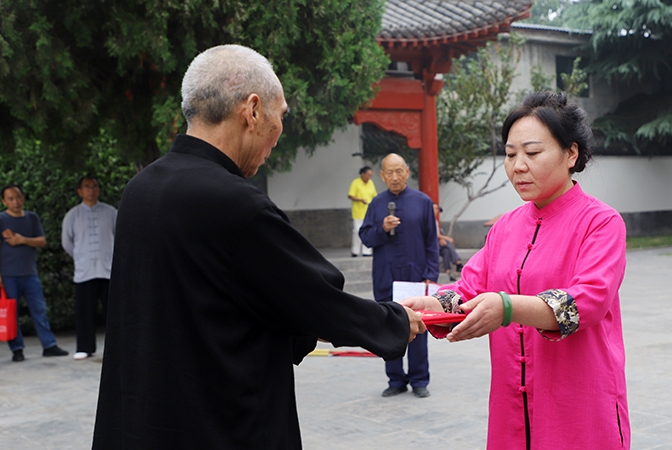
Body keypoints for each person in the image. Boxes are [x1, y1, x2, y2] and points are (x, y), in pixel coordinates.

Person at [91, 44, 424, 450]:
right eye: (280, 115)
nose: (278, 134)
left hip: (143, 419)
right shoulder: (234, 203)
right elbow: (312, 299)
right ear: (252, 110)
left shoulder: (140, 191)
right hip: (219, 420)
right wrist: (395, 321)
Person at [402, 92, 630, 449]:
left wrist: (507, 307)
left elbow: (587, 301)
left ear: (571, 154)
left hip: (580, 407)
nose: (518, 166)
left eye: (533, 153)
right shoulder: (505, 227)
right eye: (510, 154)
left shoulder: (601, 223)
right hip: (512, 407)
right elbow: (469, 288)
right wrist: (434, 307)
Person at [359, 153, 439, 398]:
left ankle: (419, 379)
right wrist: (382, 228)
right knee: (388, 329)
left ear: (406, 171)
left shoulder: (422, 202)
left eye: (399, 171)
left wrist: (430, 274)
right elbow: (366, 238)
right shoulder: (376, 204)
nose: (394, 177)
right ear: (382, 176)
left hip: (415, 277)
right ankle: (395, 379)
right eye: (389, 173)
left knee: (418, 327)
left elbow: (431, 241)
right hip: (386, 277)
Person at [0, 184, 69, 361]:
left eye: (18, 197)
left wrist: (22, 240)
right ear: (4, 201)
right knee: (12, 313)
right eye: (10, 198)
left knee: (39, 310)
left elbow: (42, 241)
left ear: (23, 198)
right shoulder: (1, 220)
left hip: (30, 273)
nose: (15, 201)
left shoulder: (32, 218)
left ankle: (49, 345)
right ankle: (17, 349)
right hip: (8, 274)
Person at [61, 176, 117, 360]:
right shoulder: (72, 215)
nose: (91, 190)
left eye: (94, 186)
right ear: (79, 191)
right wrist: (80, 256)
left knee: (113, 311)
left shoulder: (111, 212)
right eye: (87, 186)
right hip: (84, 271)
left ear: (99, 190)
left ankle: (117, 347)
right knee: (85, 312)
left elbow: (120, 237)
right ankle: (85, 347)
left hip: (108, 269)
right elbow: (67, 242)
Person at [347, 166, 377, 257]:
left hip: (369, 212)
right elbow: (350, 195)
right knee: (357, 231)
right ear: (362, 174)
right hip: (358, 212)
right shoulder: (356, 183)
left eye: (371, 175)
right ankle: (355, 251)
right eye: (368, 175)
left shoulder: (371, 183)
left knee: (369, 231)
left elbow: (374, 195)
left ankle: (367, 251)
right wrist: (360, 199)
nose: (369, 177)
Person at [432, 202, 462, 282]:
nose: (435, 211)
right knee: (448, 243)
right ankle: (457, 262)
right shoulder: (428, 220)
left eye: (436, 209)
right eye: (434, 208)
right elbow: (432, 234)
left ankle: (448, 272)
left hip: (436, 242)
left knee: (446, 251)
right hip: (430, 244)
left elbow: (437, 234)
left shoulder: (435, 221)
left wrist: (441, 239)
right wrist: (445, 238)